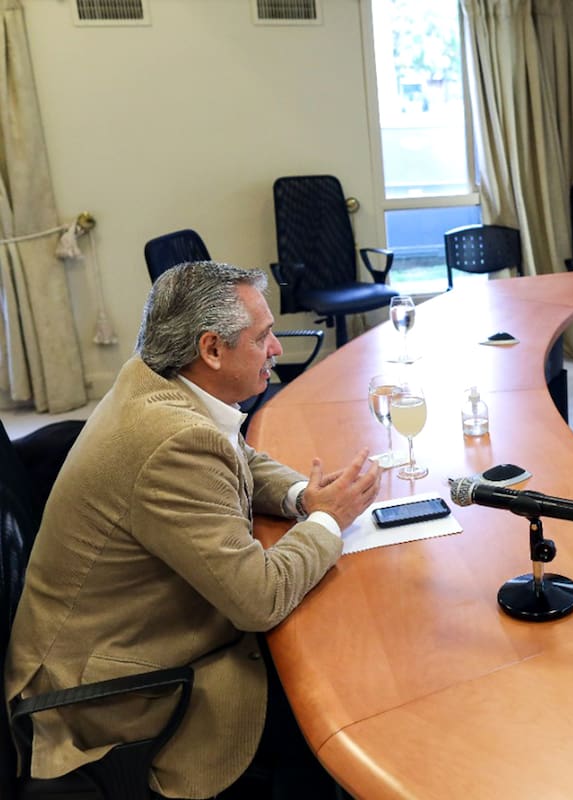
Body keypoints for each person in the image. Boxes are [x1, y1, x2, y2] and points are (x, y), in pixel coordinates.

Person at [4, 261, 383, 798]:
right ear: (211, 349)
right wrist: (329, 520)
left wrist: (304, 497)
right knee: (333, 695)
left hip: (103, 640)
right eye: (264, 336)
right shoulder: (172, 442)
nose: (277, 349)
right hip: (107, 696)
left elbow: (238, 453)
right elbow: (259, 599)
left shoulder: (158, 381)